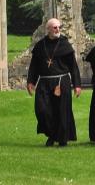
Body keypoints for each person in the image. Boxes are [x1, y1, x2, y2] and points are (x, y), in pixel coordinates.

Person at [26, 17, 82, 146]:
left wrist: (77, 84)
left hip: (62, 82)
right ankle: (51, 134)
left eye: (59, 27)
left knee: (61, 111)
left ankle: (62, 139)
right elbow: (34, 66)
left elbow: (73, 66)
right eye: (55, 27)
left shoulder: (65, 44)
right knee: (42, 110)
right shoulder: (40, 45)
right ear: (48, 29)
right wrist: (31, 81)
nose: (58, 30)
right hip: (44, 83)